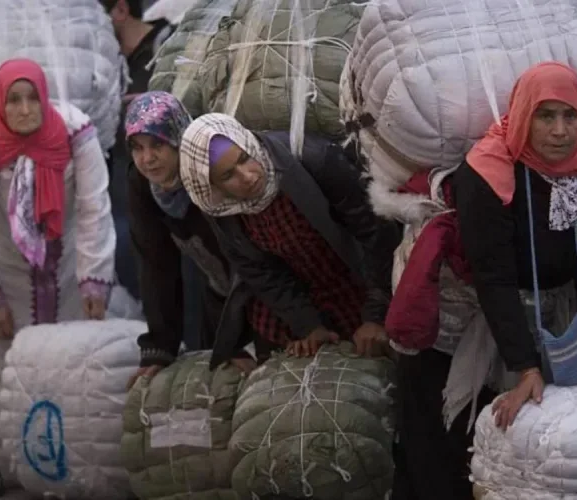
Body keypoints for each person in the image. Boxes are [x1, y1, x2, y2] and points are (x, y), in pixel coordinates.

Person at [398, 61, 577, 496]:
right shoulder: (486, 172)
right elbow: (493, 274)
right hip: (473, 303)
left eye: (570, 116)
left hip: (551, 299)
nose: (560, 131)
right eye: (545, 116)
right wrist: (525, 365)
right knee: (454, 433)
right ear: (523, 114)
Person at [0, 58, 115, 497]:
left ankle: (60, 460)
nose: (25, 110)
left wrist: (93, 280)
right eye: (14, 100)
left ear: (45, 98)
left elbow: (93, 207)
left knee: (64, 364)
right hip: (3, 267)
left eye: (33, 98)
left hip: (62, 268)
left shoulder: (74, 132)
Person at [178, 113, 400, 360]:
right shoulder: (221, 208)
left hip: (365, 281)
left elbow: (376, 234)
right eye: (228, 175)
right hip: (309, 297)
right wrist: (309, 326)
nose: (247, 176)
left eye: (245, 158)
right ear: (213, 187)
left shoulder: (314, 160)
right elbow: (261, 273)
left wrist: (376, 314)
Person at [122, 92, 256, 389]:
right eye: (137, 147)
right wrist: (159, 349)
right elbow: (156, 264)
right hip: (220, 297)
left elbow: (247, 255)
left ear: (179, 139)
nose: (147, 159)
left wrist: (238, 343)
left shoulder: (209, 168)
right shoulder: (143, 184)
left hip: (265, 297)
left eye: (158, 144)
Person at [100, 0, 176, 301]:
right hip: (123, 183)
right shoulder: (105, 62)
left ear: (120, 10)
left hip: (170, 186)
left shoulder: (169, 46)